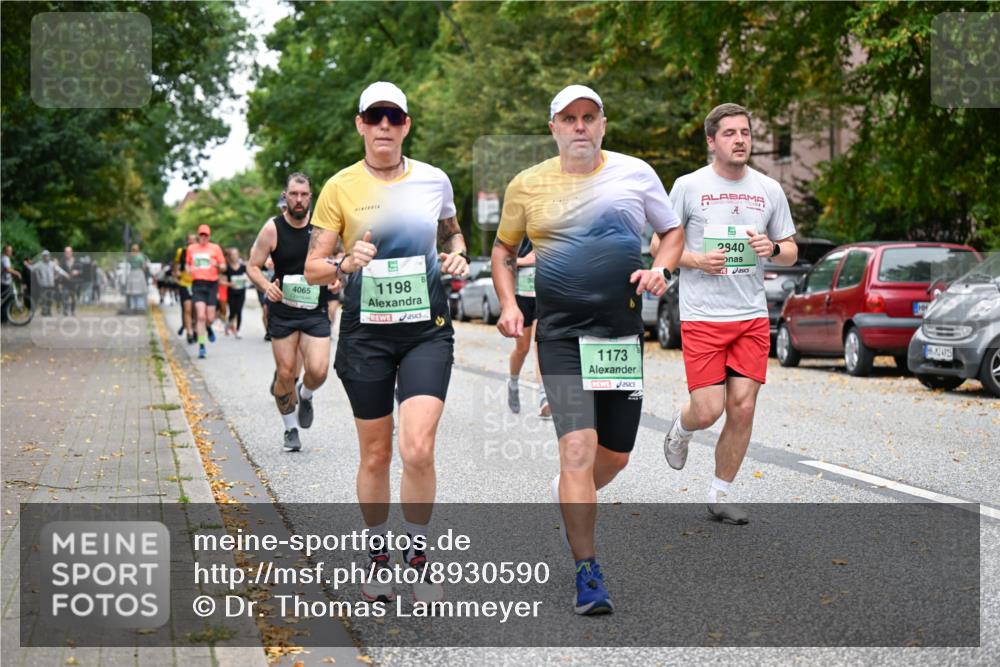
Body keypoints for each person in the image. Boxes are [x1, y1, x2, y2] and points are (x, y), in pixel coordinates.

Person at [492, 84, 683, 615]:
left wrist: (662, 268)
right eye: (569, 118)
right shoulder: (527, 185)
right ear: (553, 127)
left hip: (619, 338)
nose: (580, 126)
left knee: (615, 456)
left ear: (602, 125)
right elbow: (504, 249)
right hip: (560, 340)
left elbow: (671, 231)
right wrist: (509, 303)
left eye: (589, 117)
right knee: (578, 448)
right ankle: (587, 571)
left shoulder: (635, 174)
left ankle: (572, 491)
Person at [304, 81, 468, 605]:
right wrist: (345, 262)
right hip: (365, 336)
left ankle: (417, 558)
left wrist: (458, 254)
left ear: (406, 126)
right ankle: (377, 557)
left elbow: (453, 232)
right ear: (359, 124)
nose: (383, 127)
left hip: (426, 331)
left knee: (417, 446)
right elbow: (311, 269)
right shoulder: (339, 188)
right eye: (373, 117)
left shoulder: (434, 180)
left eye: (393, 118)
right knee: (376, 454)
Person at [661, 103, 798, 525]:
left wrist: (772, 249)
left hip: (751, 315)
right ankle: (681, 430)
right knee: (708, 409)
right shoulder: (688, 186)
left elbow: (791, 251)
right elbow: (659, 247)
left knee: (742, 407)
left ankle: (720, 494)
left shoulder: (769, 190)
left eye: (745, 133)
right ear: (711, 141)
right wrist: (698, 261)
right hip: (703, 315)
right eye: (729, 133)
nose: (740, 140)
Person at [247, 173, 332, 452]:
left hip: (314, 309)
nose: (298, 200)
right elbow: (253, 266)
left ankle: (305, 395)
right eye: (293, 194)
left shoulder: (322, 228)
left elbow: (339, 257)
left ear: (310, 196)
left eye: (303, 194)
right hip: (283, 311)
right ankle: (290, 429)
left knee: (318, 371)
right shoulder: (272, 229)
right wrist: (265, 286)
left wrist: (336, 274)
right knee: (285, 373)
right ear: (285, 195)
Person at [505, 238, 548, 416]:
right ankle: (513, 383)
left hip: (544, 295)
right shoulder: (517, 228)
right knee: (522, 348)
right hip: (521, 296)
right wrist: (524, 261)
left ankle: (544, 396)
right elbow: (501, 261)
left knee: (541, 345)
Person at [186, 224, 226, 359]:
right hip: (197, 284)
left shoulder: (215, 248)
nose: (203, 237)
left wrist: (218, 265)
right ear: (198, 236)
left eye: (206, 235)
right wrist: (188, 269)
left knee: (209, 318)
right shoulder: (191, 249)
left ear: (209, 236)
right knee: (201, 316)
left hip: (211, 285)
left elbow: (224, 266)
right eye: (201, 235)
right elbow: (187, 264)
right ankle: (202, 346)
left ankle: (208, 328)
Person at [31, 250, 70, 316]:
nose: (46, 257)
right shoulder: (39, 264)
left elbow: (59, 270)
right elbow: (32, 268)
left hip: (51, 285)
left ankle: (48, 311)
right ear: (43, 257)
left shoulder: (52, 264)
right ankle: (44, 311)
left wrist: (66, 274)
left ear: (49, 256)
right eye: (45, 256)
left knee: (50, 299)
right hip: (43, 285)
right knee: (44, 298)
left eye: (47, 256)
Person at [173, 234, 196, 344]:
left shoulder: (200, 253)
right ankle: (189, 332)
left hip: (197, 283)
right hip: (185, 283)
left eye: (193, 241)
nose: (191, 243)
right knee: (187, 308)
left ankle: (195, 328)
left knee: (196, 309)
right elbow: (176, 265)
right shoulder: (181, 252)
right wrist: (176, 275)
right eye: (189, 241)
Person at [224, 248, 248, 338]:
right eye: (232, 254)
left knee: (239, 311)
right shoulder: (227, 268)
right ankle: (227, 325)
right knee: (232, 312)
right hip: (231, 292)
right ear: (230, 256)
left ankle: (238, 331)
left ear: (238, 255)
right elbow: (220, 280)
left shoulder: (243, 267)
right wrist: (229, 283)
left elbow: (249, 276)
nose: (234, 256)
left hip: (241, 292)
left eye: (236, 254)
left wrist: (246, 279)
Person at [124, 243, 150, 312]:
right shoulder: (140, 256)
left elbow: (127, 261)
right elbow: (143, 266)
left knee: (132, 290)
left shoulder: (130, 256)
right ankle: (140, 306)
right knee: (140, 290)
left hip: (132, 273)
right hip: (139, 273)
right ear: (138, 249)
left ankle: (133, 306)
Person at [1, 244, 23, 323]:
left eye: (11, 250)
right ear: (5, 251)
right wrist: (17, 273)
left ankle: (5, 318)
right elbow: (7, 269)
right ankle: (4, 319)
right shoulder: (5, 258)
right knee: (7, 300)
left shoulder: (3, 258)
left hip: (4, 282)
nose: (11, 252)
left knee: (5, 300)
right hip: (4, 282)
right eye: (9, 250)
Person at [58, 246, 82, 315]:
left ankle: (72, 311)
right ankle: (65, 310)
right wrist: (60, 282)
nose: (67, 253)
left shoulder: (77, 261)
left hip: (74, 283)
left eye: (68, 252)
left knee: (73, 298)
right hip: (65, 282)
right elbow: (60, 271)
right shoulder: (62, 261)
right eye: (66, 252)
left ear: (72, 252)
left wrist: (77, 272)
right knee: (65, 296)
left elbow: (82, 271)